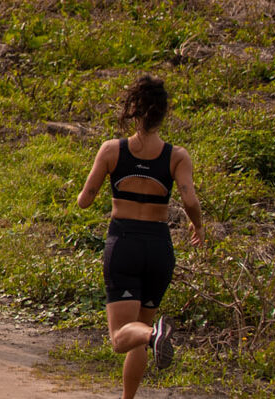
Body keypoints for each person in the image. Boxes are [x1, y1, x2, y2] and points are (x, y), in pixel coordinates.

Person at [77, 75, 204, 398]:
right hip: (159, 248)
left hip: (124, 243)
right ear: (163, 114)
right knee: (142, 328)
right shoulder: (177, 156)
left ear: (133, 111)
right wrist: (197, 226)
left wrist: (95, 188)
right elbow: (189, 200)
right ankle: (129, 394)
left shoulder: (112, 150)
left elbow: (85, 199)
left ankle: (152, 336)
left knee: (123, 336)